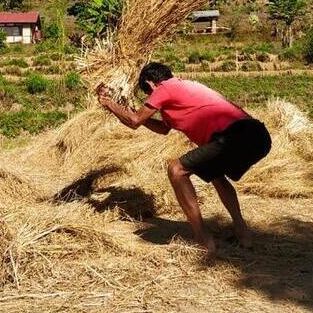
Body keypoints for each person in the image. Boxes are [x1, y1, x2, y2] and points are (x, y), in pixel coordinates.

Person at [96, 62, 271, 254]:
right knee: (216, 174)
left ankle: (202, 239)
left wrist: (109, 103)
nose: (151, 99)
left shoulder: (165, 87)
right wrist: (133, 113)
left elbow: (135, 121)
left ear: (151, 83)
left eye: (148, 94)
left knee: (176, 170)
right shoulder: (186, 87)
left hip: (235, 135)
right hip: (258, 136)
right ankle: (243, 234)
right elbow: (162, 128)